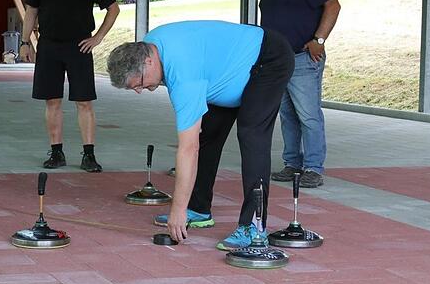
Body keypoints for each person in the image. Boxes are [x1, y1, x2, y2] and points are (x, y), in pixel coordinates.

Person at [107, 21, 293, 249]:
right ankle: (199, 208)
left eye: (140, 84)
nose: (139, 91)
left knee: (251, 135)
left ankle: (254, 226)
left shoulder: (183, 75)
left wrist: (177, 209)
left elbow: (188, 149)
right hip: (227, 72)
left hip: (268, 58)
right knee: (208, 134)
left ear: (148, 61)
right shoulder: (149, 46)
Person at [19, 0, 120, 172]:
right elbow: (31, 11)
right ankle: (56, 153)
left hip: (79, 46)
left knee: (84, 102)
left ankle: (88, 155)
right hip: (48, 45)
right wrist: (25, 42)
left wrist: (97, 38)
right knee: (52, 101)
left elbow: (113, 9)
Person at [256, 0, 340, 189]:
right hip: (277, 60)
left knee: (308, 114)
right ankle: (292, 163)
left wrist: (320, 39)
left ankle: (313, 167)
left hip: (303, 58)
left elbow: (333, 6)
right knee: (287, 114)